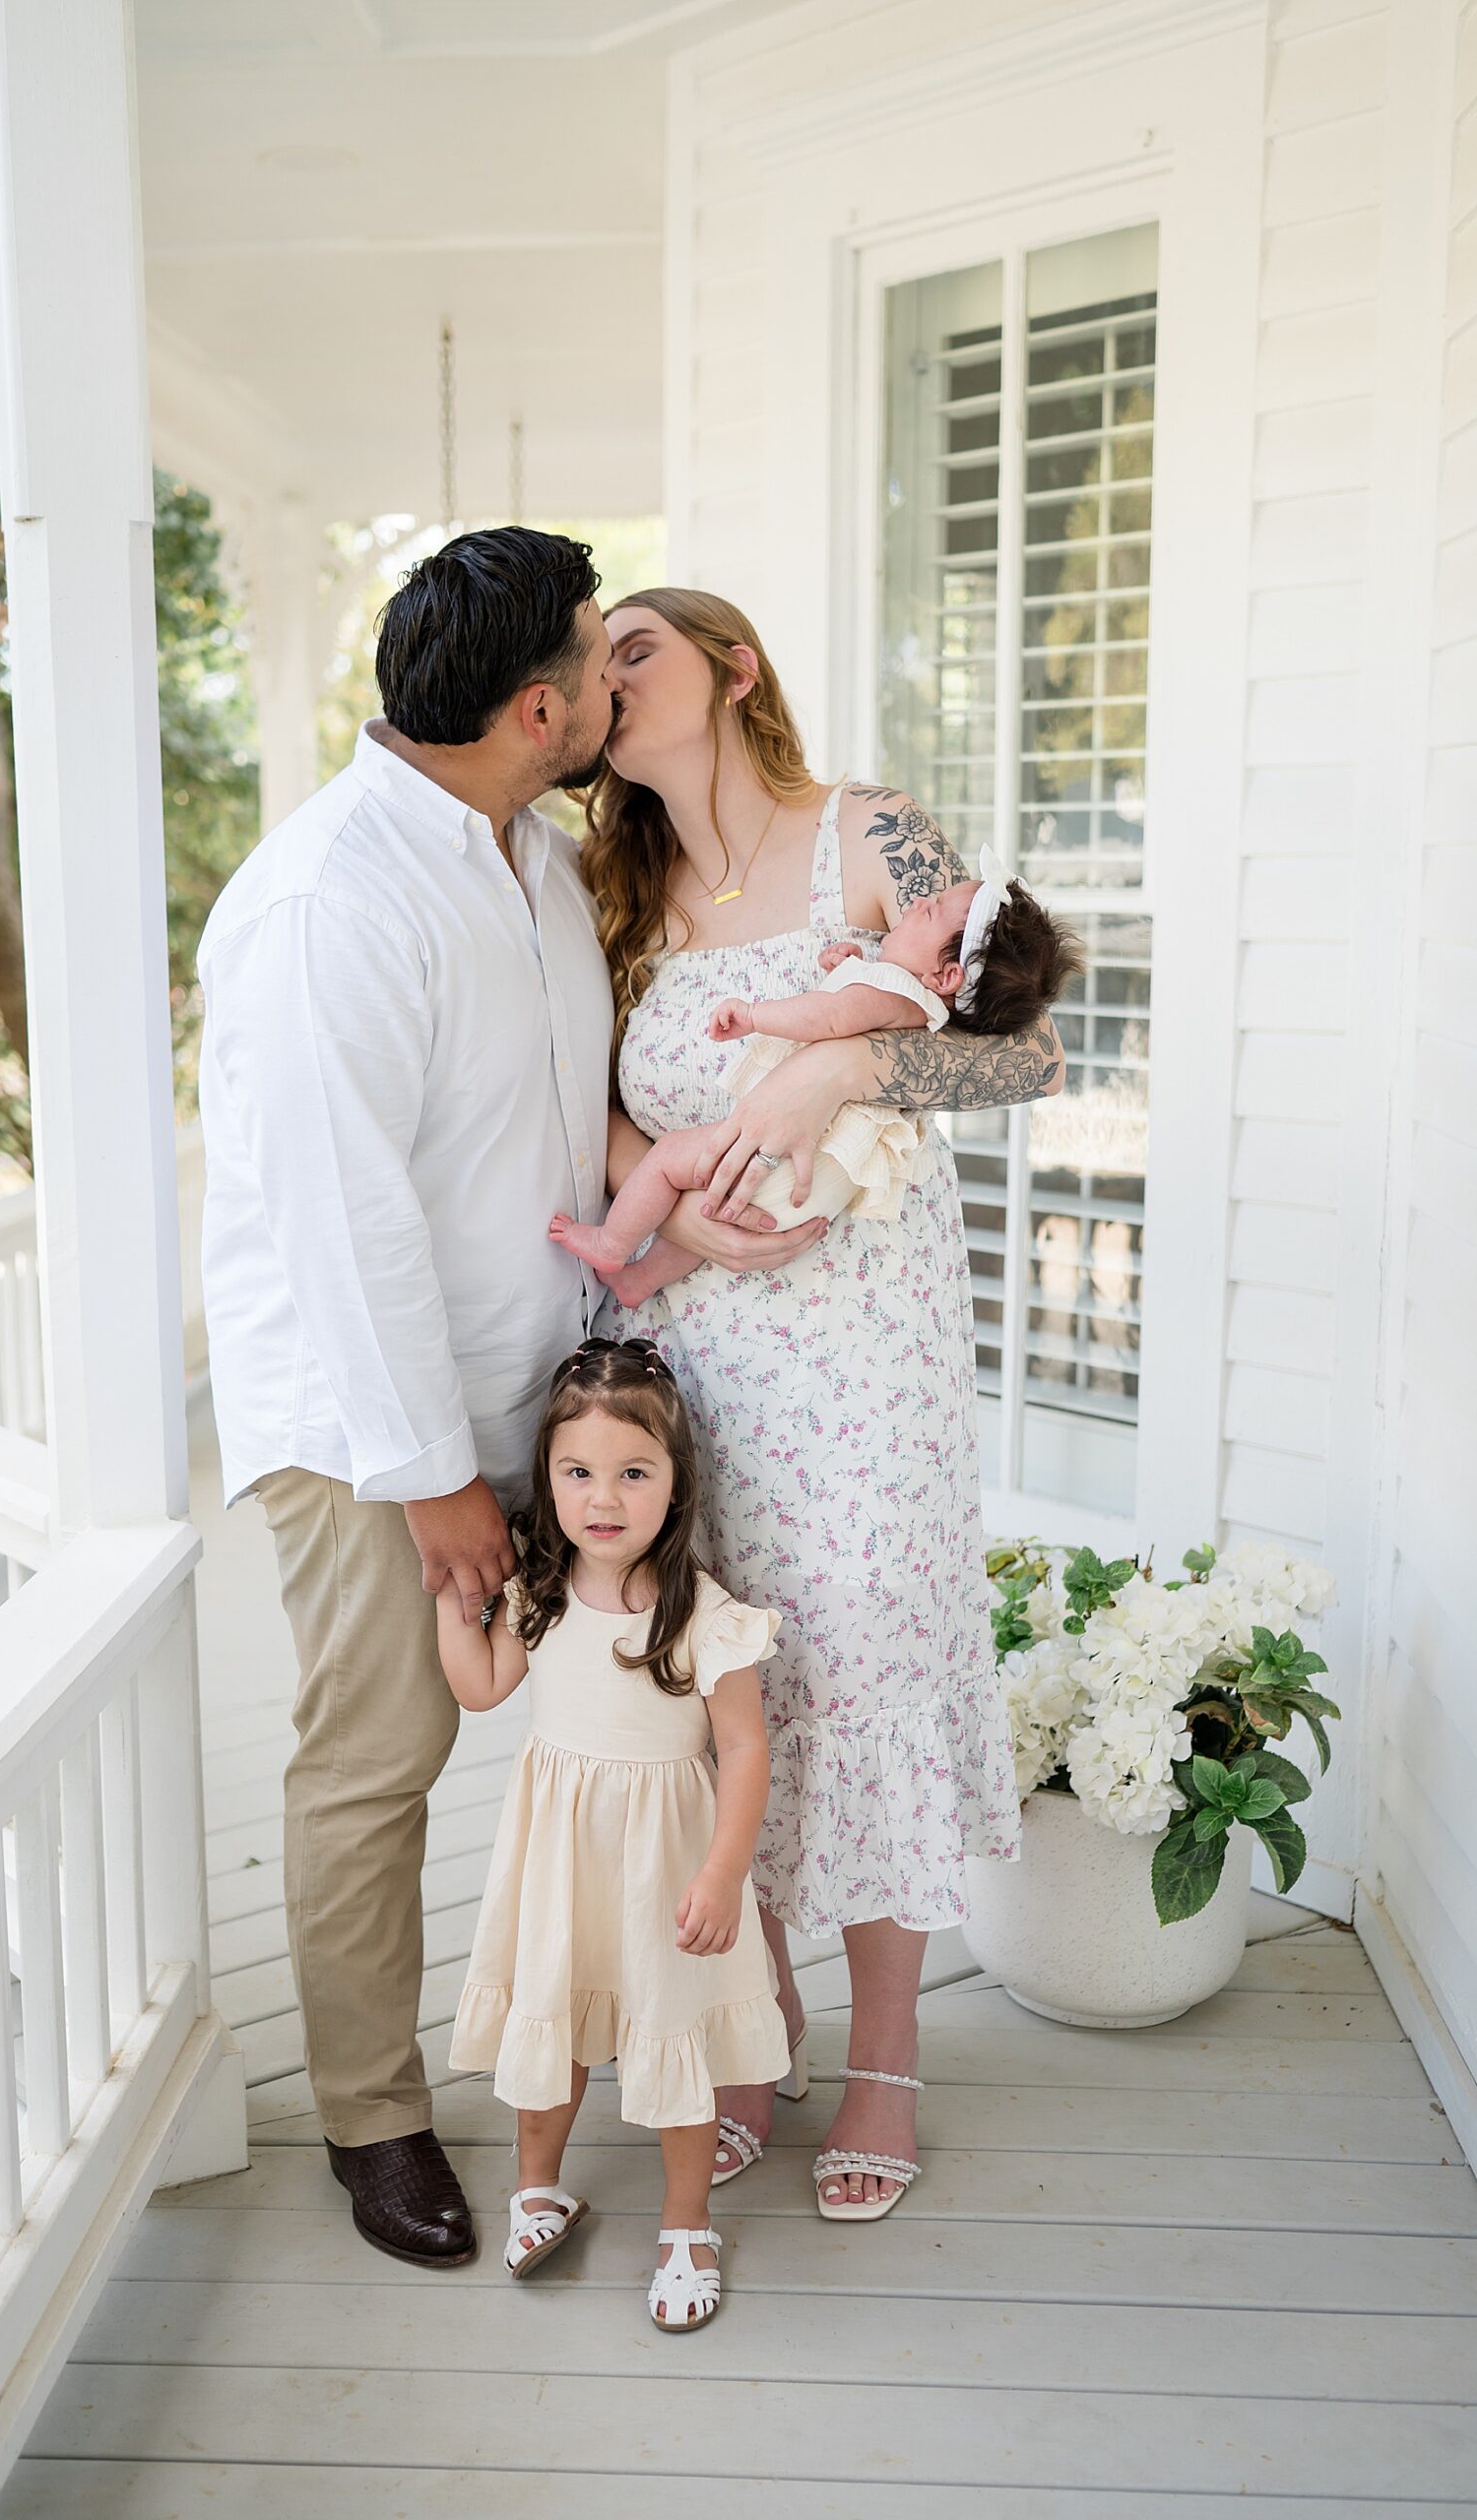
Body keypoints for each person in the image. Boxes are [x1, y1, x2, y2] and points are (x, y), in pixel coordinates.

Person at [197, 528, 706, 2269]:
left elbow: (555, 1107)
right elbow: (342, 1231)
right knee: (380, 1757)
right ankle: (373, 2116)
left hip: (536, 1380)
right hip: (366, 1431)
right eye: (596, 662)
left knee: (607, 1721)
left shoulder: (529, 853)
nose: (611, 686)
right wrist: (434, 1488)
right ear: (536, 706)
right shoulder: (328, 899)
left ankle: (627, 2032)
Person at [581, 587, 1068, 2223]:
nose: (602, 673)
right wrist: (674, 1207)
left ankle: (880, 2056)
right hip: (692, 1346)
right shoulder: (607, 893)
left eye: (630, 643)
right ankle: (748, 2020)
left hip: (869, 1339)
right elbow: (575, 1116)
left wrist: (843, 1068)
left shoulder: (875, 832)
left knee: (854, 1648)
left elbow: (1023, 1058)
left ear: (729, 669)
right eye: (586, 658)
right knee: (727, 1665)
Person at [440, 1337, 789, 2330]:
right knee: (551, 2025)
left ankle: (686, 2223)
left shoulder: (701, 1612)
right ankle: (539, 2185)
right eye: (578, 1472)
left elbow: (746, 1752)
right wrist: (449, 1602)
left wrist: (724, 1873)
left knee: (672, 2040)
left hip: (668, 1866)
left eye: (634, 1472)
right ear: (548, 1477)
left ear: (676, 1487)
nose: (604, 1497)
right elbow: (479, 1686)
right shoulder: (541, 1596)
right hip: (559, 1863)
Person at [552, 854, 1082, 1305]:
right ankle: (640, 1280)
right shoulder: (907, 998)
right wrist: (846, 962)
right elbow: (850, 1000)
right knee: (716, 1215)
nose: (920, 901)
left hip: (790, 1153)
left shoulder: (889, 996)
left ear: (946, 977)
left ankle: (612, 1243)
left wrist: (755, 1014)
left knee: (668, 1161)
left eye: (934, 911)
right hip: (808, 1180)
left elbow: (826, 1018)